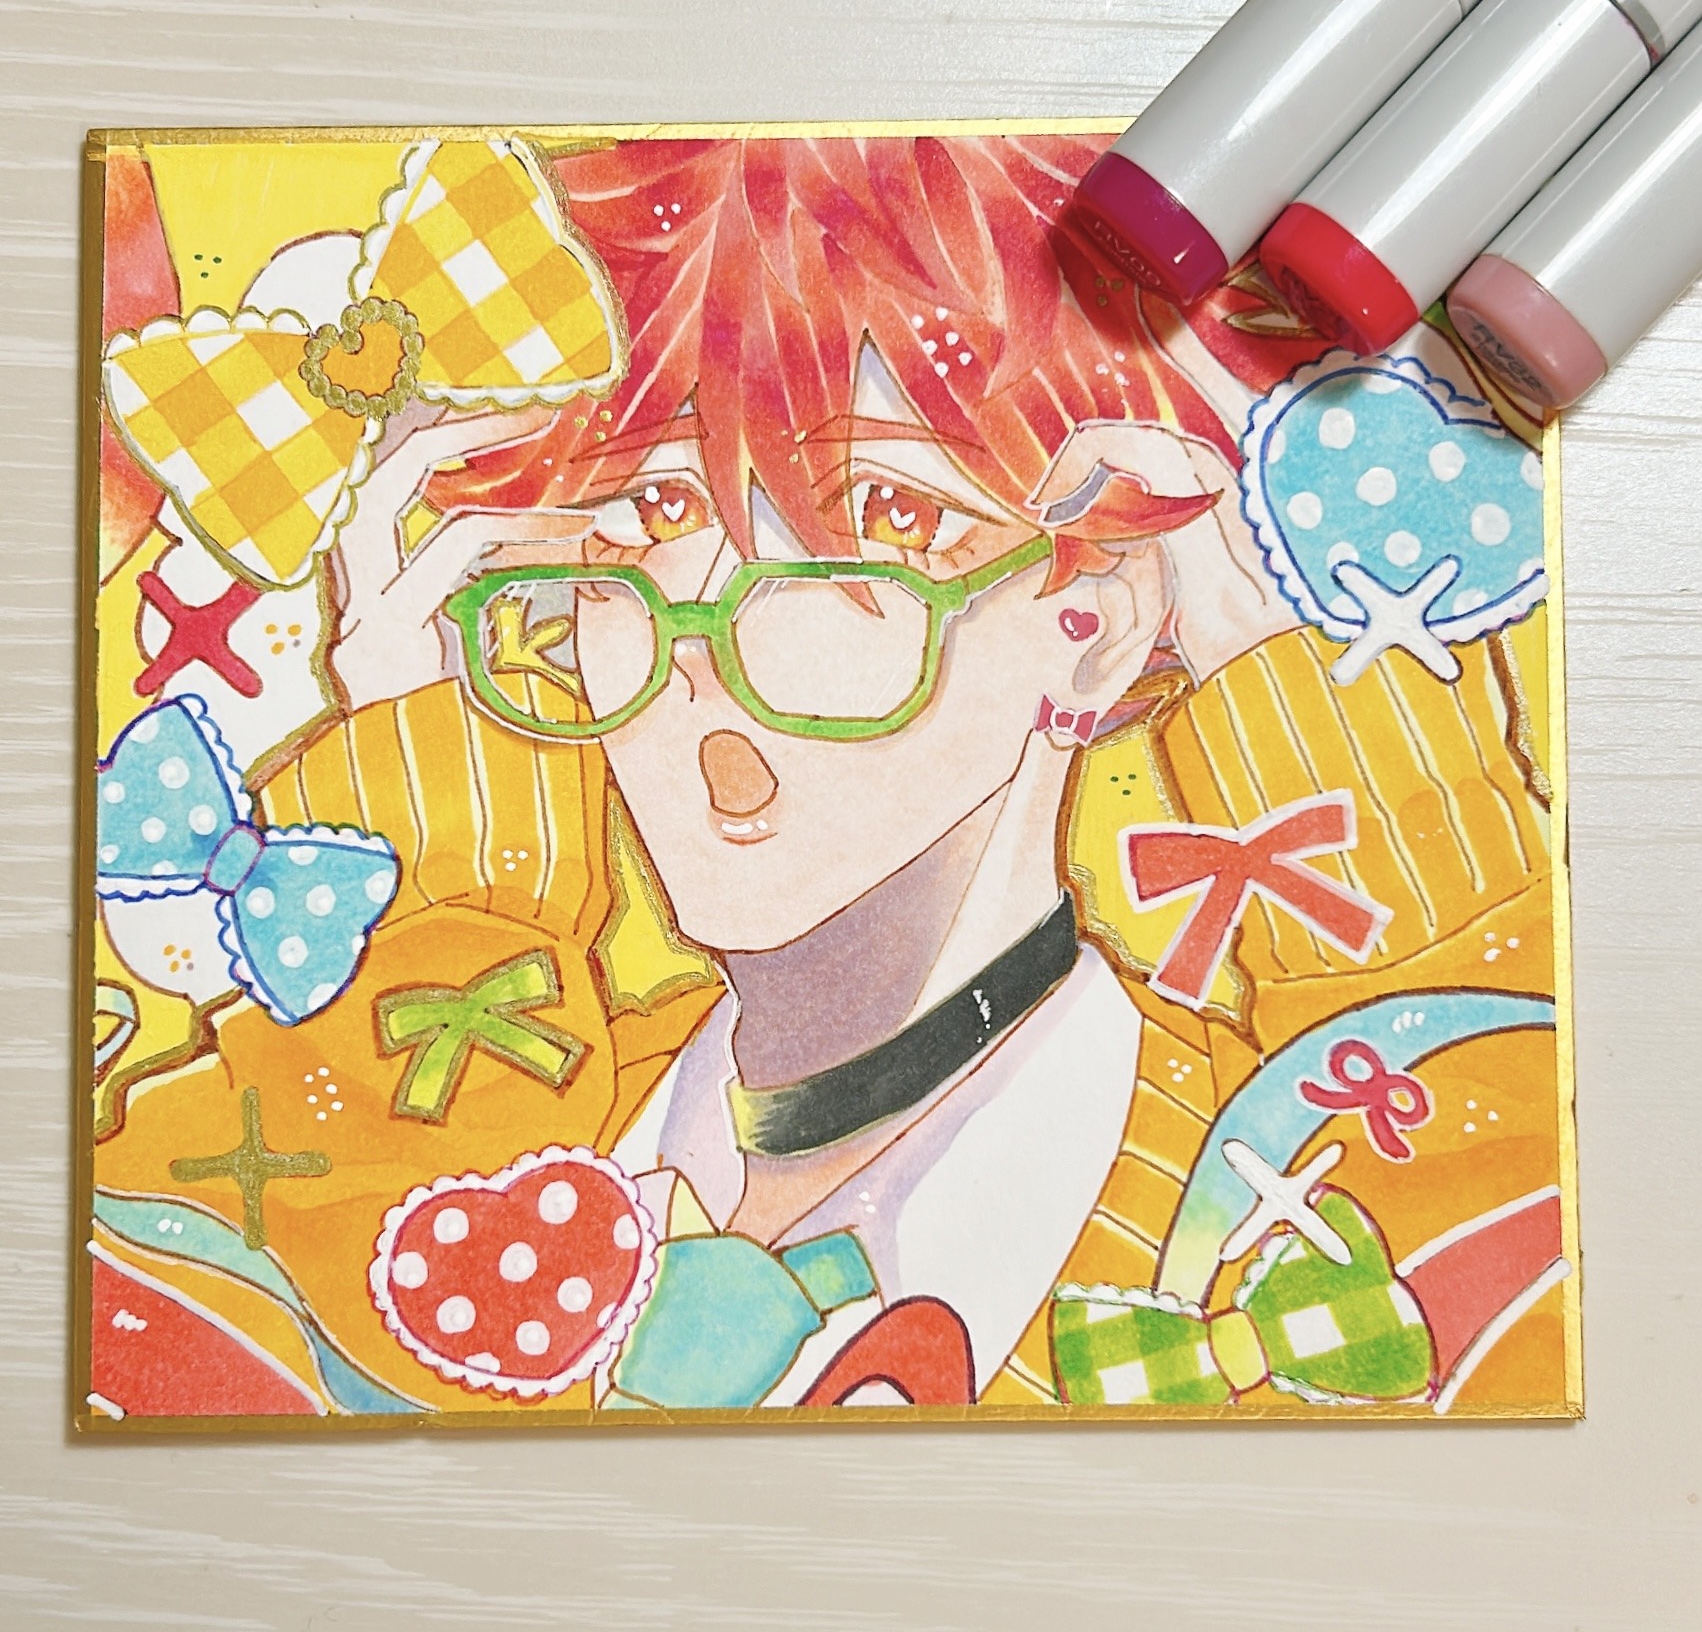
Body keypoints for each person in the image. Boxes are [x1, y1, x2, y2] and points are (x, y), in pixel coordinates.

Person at [312, 135, 1559, 1406]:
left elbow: (1507, 1207)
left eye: (887, 517)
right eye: (653, 511)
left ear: (1095, 624)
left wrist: (1303, 714)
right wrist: (422, 814)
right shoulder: (507, 1125)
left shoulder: (1269, 1175)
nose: (700, 642)